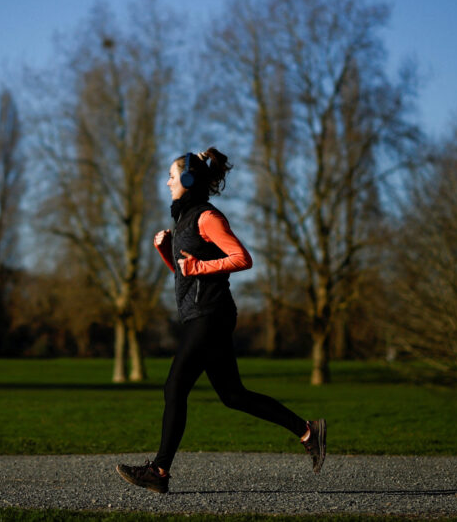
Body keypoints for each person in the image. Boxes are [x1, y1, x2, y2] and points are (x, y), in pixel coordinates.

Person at [115, 147, 326, 494]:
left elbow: (242, 258)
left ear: (186, 180)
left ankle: (159, 472)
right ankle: (308, 432)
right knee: (232, 394)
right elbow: (187, 278)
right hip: (203, 314)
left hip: (210, 316)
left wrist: (198, 265)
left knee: (175, 387)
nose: (167, 181)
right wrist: (167, 253)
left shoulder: (207, 217)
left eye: (172, 175)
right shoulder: (183, 219)